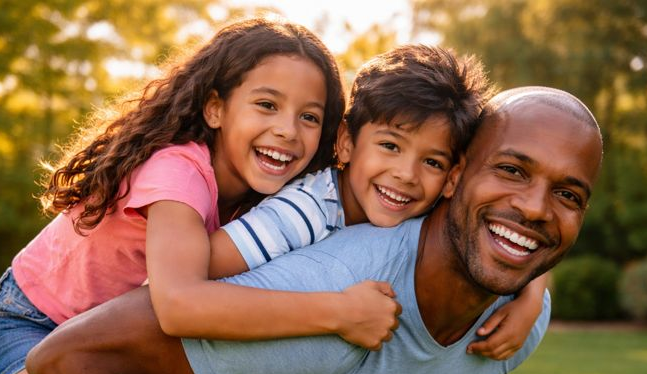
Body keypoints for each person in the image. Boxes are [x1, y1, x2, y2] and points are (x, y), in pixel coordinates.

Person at [27, 85, 604, 374]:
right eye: (510, 170)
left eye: (568, 194)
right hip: (39, 313)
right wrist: (333, 311)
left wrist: (531, 289)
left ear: (446, 174)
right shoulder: (330, 267)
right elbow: (77, 350)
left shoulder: (517, 321)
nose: (534, 208)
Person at [0, 17, 392, 374]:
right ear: (215, 109)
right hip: (31, 321)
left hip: (111, 335)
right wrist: (340, 313)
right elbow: (179, 304)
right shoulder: (177, 172)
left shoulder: (273, 197)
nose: (288, 129)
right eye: (266, 104)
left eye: (309, 116)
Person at [193, 44, 548, 358]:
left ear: (452, 178)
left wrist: (530, 302)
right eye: (390, 146)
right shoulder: (306, 210)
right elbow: (188, 287)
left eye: (432, 162)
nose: (407, 175)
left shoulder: (421, 213)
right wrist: (338, 312)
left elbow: (498, 232)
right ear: (346, 141)